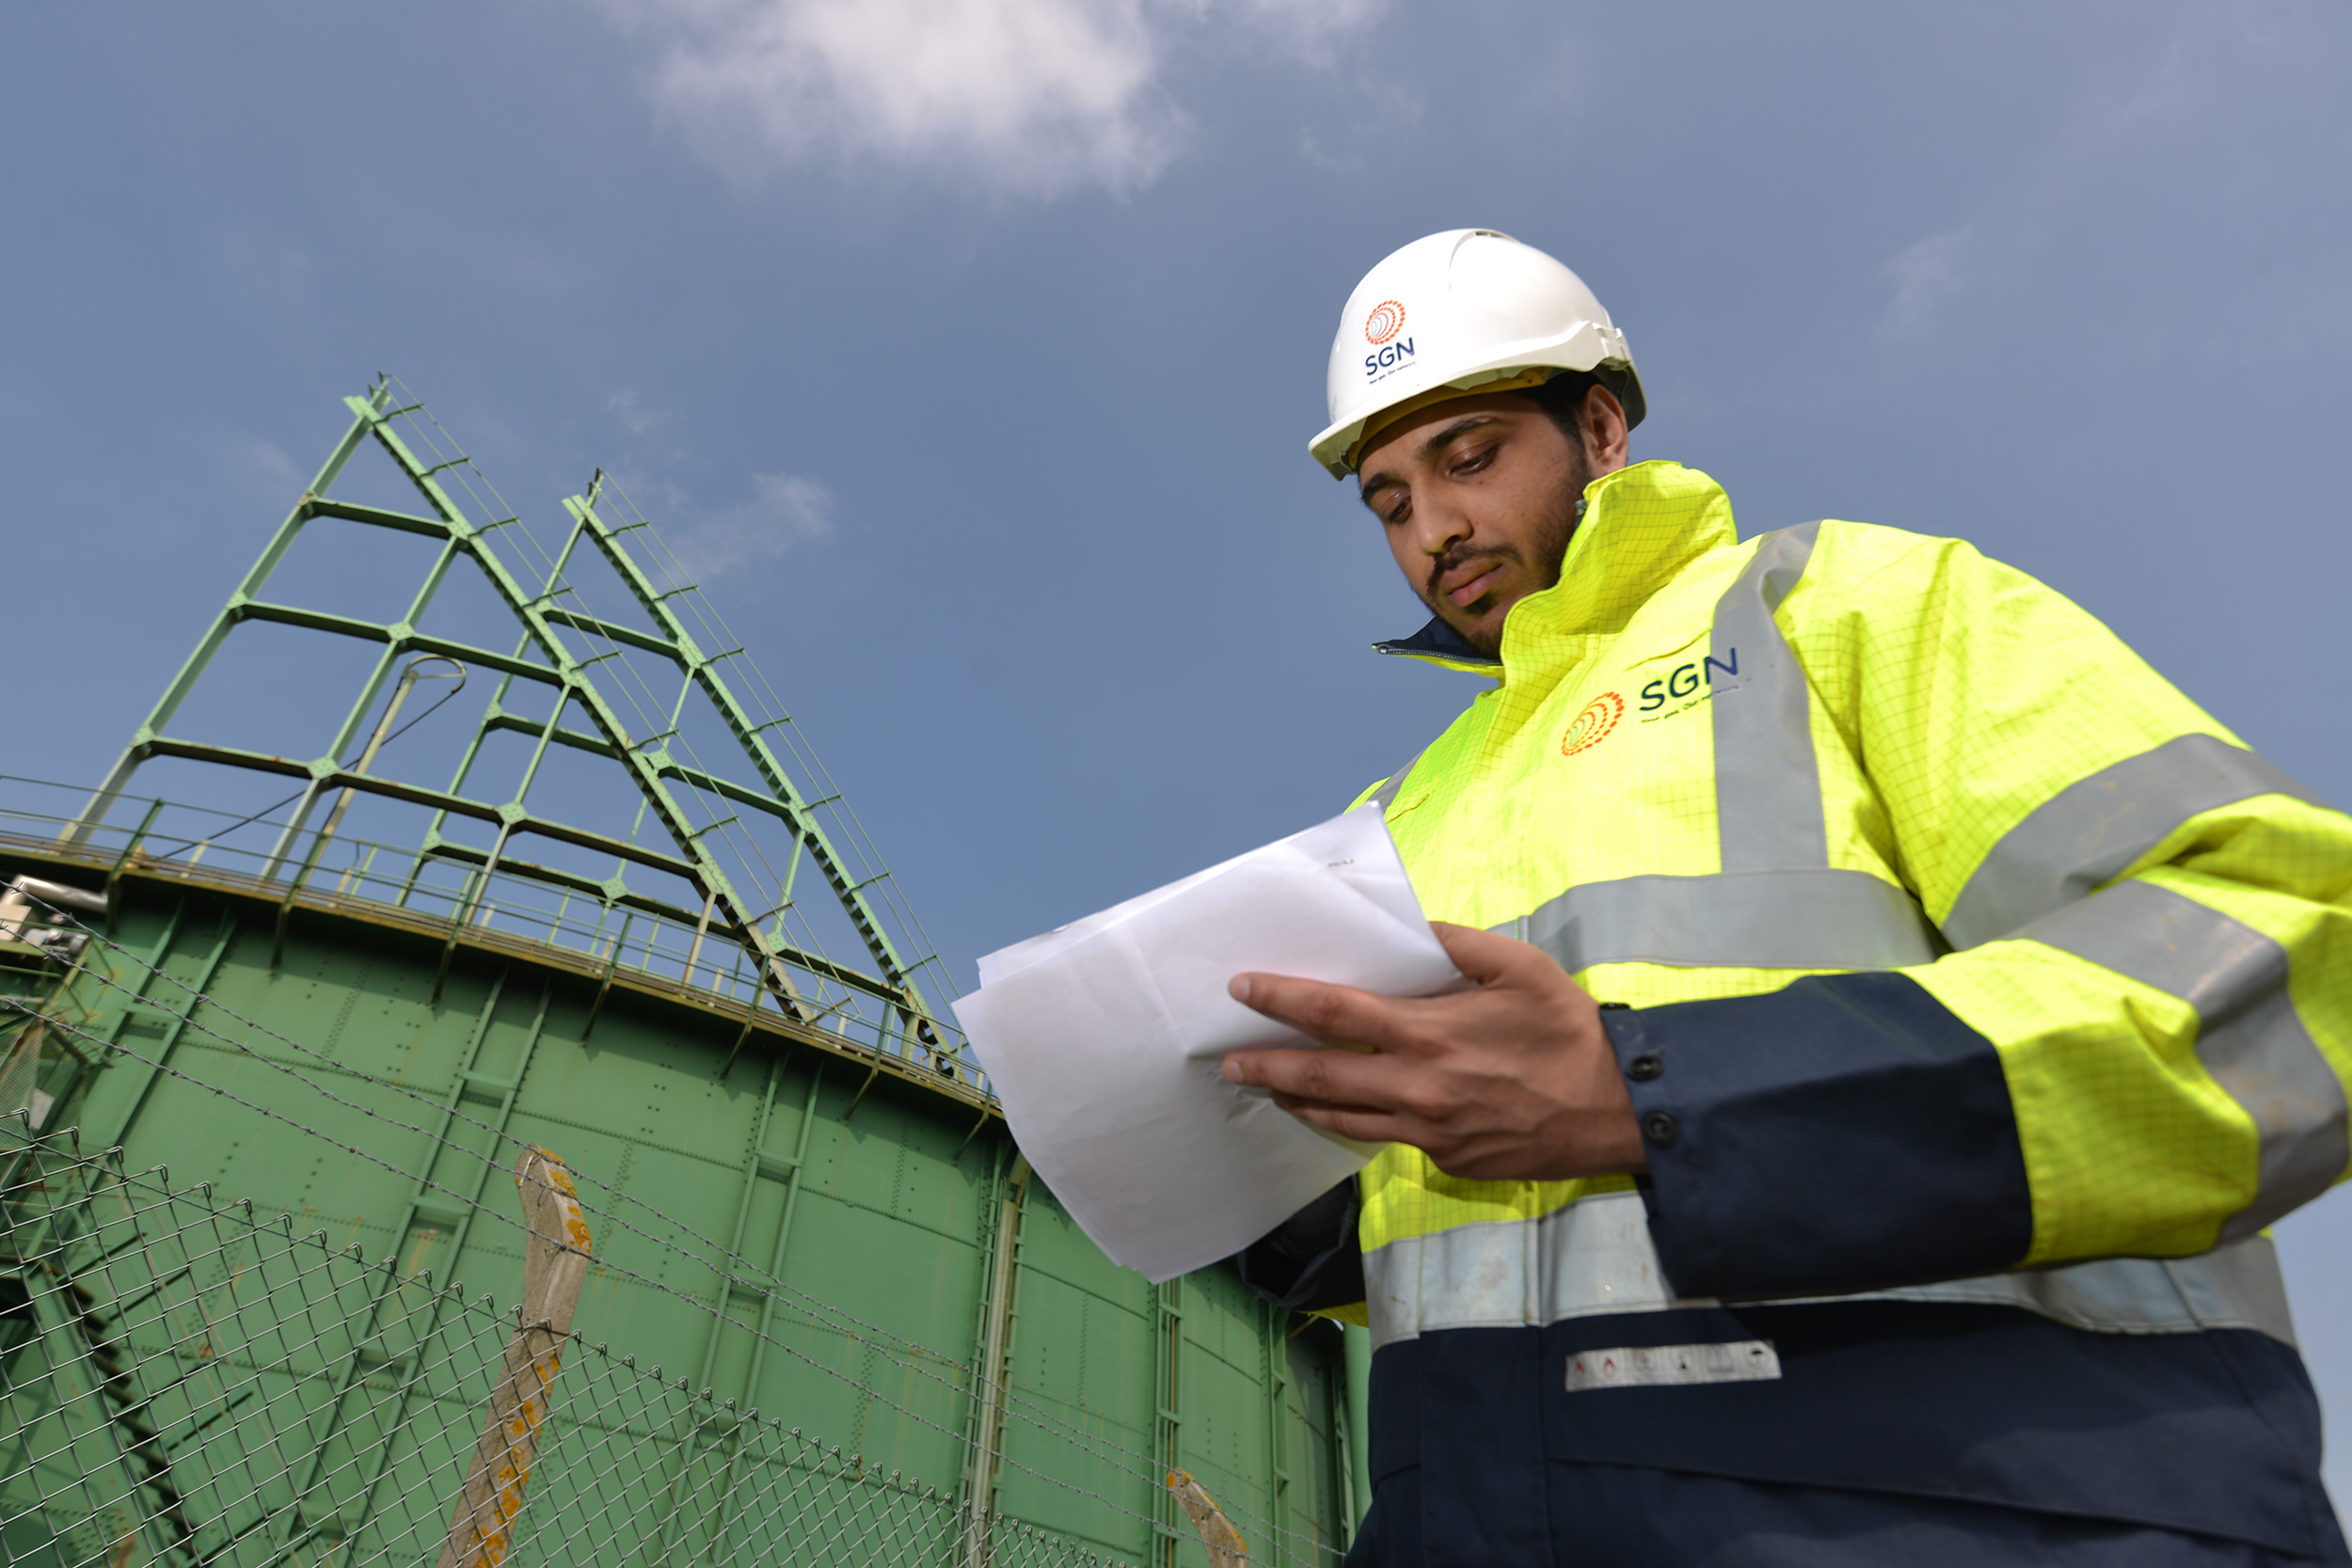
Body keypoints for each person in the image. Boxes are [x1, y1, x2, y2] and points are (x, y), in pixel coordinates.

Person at [1222, 229, 2352, 1566]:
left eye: (1469, 458)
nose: (1436, 532)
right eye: (1391, 501)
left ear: (1598, 427)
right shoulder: (1398, 815)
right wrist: (1299, 1203)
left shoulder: (1844, 605)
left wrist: (1662, 1095)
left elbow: (2289, 948)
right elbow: (1496, 1197)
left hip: (1963, 1509)